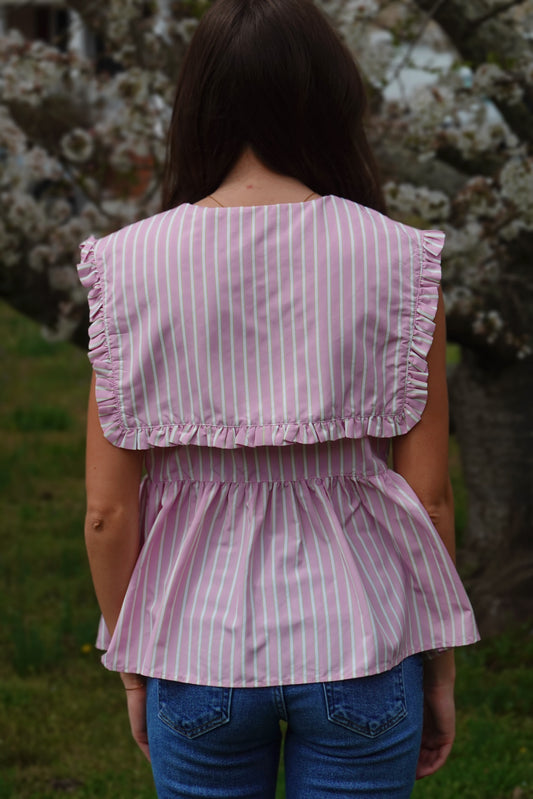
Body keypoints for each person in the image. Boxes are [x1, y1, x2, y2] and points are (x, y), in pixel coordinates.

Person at [78, 0, 479, 796]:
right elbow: (428, 499)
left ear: (195, 106)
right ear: (330, 102)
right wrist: (440, 670)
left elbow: (106, 514)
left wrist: (133, 667)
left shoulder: (128, 267)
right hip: (364, 639)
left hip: (194, 649)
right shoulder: (399, 262)